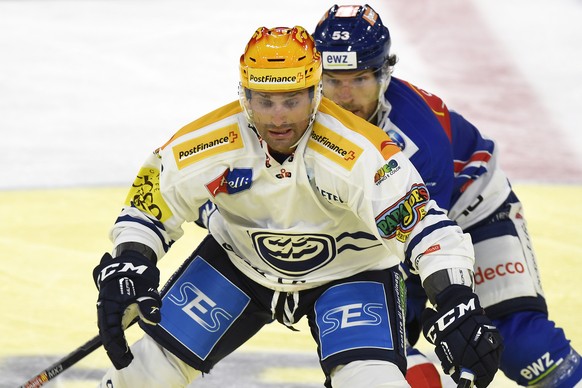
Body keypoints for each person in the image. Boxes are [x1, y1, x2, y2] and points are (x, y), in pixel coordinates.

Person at [92, 25, 503, 388]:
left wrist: (456, 300)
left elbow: (424, 229)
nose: (278, 118)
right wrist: (130, 260)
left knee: (371, 381)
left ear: (315, 92)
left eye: (292, 100)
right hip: (240, 264)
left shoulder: (360, 152)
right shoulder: (209, 140)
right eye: (264, 100)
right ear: (245, 95)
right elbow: (151, 202)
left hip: (350, 270)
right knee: (146, 373)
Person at [312, 4, 582, 388]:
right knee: (389, 360)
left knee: (527, 348)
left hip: (469, 211)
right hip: (389, 231)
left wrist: (448, 310)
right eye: (333, 80)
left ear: (385, 72)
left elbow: (420, 243)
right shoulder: (293, 115)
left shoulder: (417, 143)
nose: (345, 96)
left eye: (360, 78)